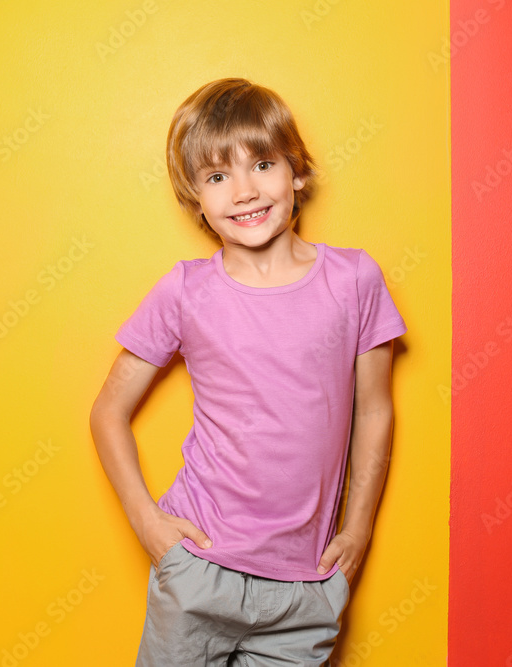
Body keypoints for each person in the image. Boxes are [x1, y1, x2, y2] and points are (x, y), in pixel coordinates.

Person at [90, 78, 407, 666]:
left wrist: (358, 528)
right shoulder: (186, 292)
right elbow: (107, 410)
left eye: (261, 164)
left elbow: (377, 411)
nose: (243, 190)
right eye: (216, 177)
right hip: (200, 570)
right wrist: (148, 526)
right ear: (196, 202)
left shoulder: (355, 281)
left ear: (297, 173)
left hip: (307, 586)